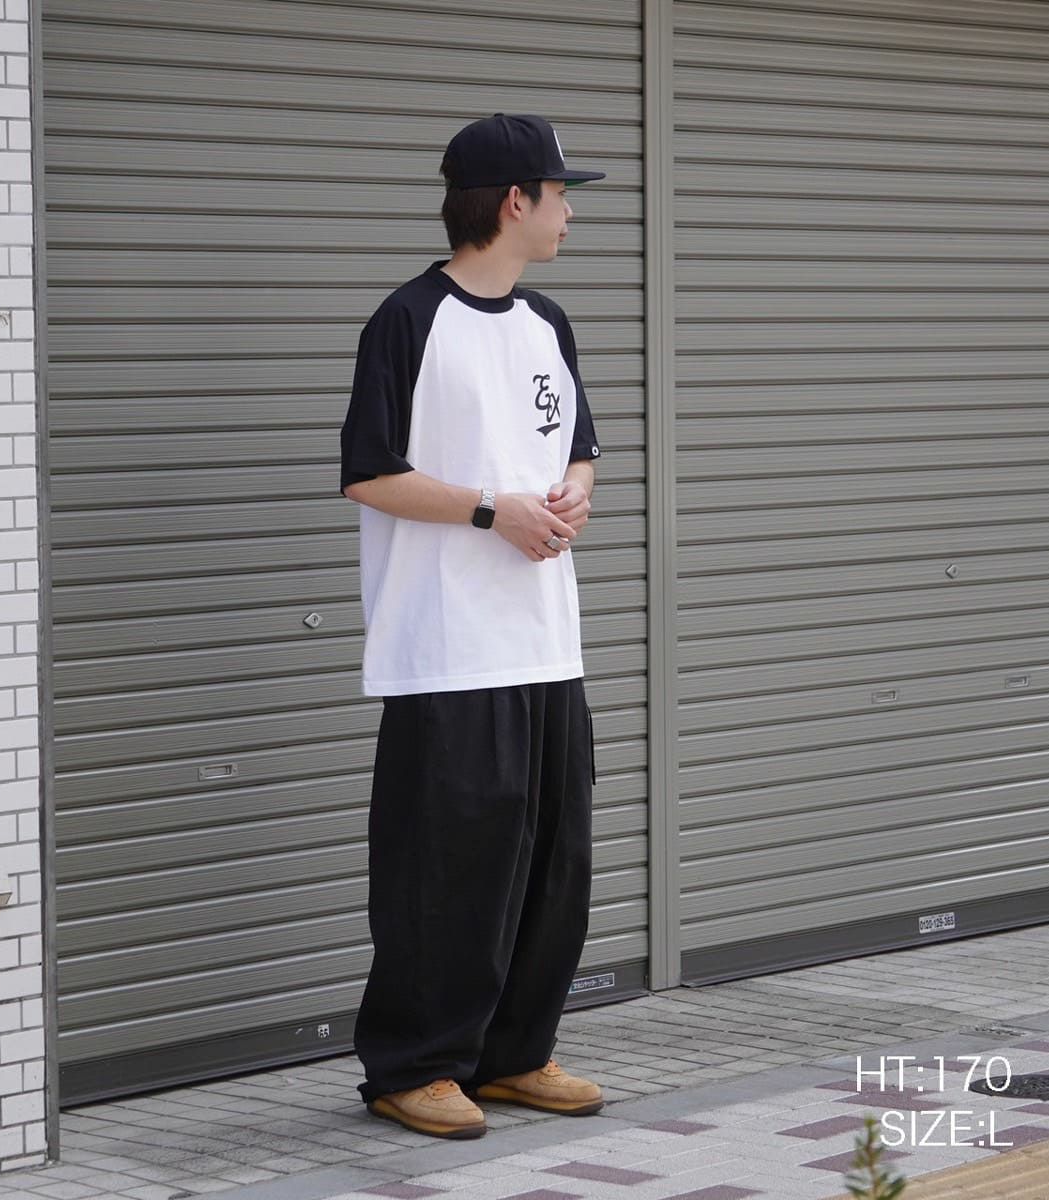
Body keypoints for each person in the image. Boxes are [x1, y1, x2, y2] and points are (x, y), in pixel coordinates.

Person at [339, 113, 606, 1140]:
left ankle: (515, 1054)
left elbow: (576, 446)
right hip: (444, 647)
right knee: (443, 869)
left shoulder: (547, 323)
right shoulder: (408, 321)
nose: (569, 212)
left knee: (549, 862)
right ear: (514, 201)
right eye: (560, 194)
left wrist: (572, 493)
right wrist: (495, 510)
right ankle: (415, 1066)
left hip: (544, 639)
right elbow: (370, 473)